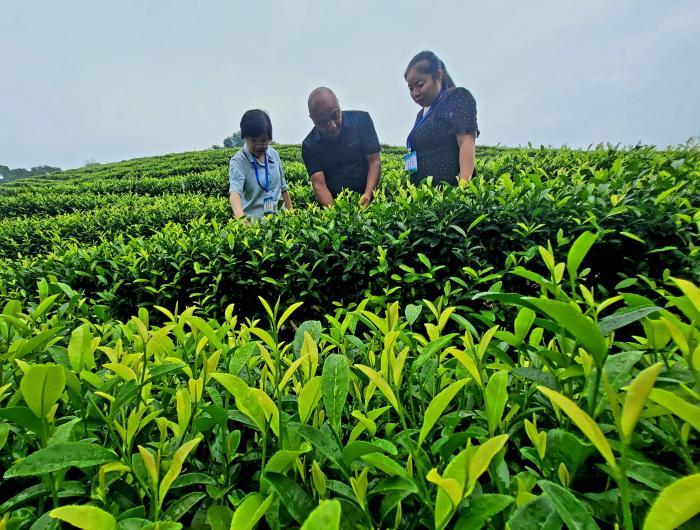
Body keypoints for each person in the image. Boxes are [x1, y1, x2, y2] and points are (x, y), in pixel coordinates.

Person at [404, 50, 479, 185]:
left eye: (420, 84)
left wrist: (463, 189)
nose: (415, 93)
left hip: (449, 195)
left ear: (438, 75)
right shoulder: (421, 115)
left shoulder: (457, 96)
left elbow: (466, 143)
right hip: (424, 197)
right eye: (410, 88)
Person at [301, 87, 381, 207]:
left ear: (338, 103)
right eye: (323, 122)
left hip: (370, 202)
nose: (332, 126)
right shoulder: (309, 145)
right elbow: (319, 185)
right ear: (312, 119)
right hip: (334, 206)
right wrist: (337, 214)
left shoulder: (361, 121)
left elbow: (374, 162)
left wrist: (368, 194)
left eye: (335, 115)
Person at [229, 109, 292, 220]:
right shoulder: (238, 161)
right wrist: (243, 225)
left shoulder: (274, 154)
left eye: (264, 140)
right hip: (256, 227)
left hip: (281, 221)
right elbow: (235, 194)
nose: (259, 145)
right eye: (253, 140)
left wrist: (292, 215)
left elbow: (283, 189)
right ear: (245, 137)